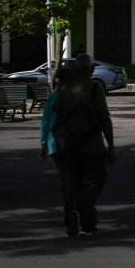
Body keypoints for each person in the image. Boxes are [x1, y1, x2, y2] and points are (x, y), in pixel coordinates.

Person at [49, 55, 115, 238]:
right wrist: (111, 145)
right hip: (92, 145)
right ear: (92, 70)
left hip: (68, 146)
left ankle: (86, 221)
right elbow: (104, 118)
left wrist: (57, 145)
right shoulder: (95, 88)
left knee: (73, 184)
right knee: (97, 181)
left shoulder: (63, 90)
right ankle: (82, 208)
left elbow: (58, 119)